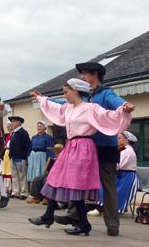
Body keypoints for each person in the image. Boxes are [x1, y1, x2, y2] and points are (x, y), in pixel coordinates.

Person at [28, 78, 132, 236]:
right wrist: (41, 99)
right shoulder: (68, 108)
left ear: (75, 90)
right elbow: (55, 106)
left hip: (84, 148)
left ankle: (76, 222)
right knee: (55, 178)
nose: (64, 95)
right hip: (71, 146)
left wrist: (123, 109)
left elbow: (107, 116)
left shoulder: (90, 108)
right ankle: (51, 216)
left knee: (73, 185)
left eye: (66, 91)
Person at [54, 62, 135, 236]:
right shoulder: (83, 96)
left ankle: (113, 225)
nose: (82, 77)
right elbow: (63, 102)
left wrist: (125, 105)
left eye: (85, 74)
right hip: (86, 149)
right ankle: (74, 216)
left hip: (105, 147)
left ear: (95, 75)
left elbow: (117, 102)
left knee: (108, 186)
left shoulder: (105, 94)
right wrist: (44, 100)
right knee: (77, 182)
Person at [88, 131, 140, 216]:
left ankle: (104, 209)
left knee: (116, 191)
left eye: (119, 138)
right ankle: (102, 207)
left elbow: (119, 164)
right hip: (120, 175)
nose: (117, 140)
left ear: (126, 141)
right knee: (105, 187)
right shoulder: (122, 148)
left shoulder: (128, 150)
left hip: (126, 177)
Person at [27, 121, 55, 194]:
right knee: (33, 174)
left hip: (42, 157)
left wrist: (49, 160)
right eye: (38, 126)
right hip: (33, 157)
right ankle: (33, 192)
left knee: (40, 174)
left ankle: (41, 193)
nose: (39, 128)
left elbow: (50, 149)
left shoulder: (48, 137)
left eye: (40, 126)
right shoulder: (34, 137)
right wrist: (28, 157)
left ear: (44, 127)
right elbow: (30, 148)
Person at [8, 116, 30, 200]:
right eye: (12, 122)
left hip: (21, 158)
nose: (12, 123)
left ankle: (24, 193)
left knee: (22, 176)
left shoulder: (23, 132)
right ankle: (15, 192)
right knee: (14, 176)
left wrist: (26, 157)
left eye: (13, 121)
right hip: (13, 157)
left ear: (19, 123)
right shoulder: (14, 133)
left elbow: (27, 145)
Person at [2, 122, 13, 195]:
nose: (8, 128)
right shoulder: (6, 135)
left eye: (10, 126)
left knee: (9, 171)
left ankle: (9, 187)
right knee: (5, 171)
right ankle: (5, 187)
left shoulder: (14, 134)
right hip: (5, 153)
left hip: (10, 153)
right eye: (7, 127)